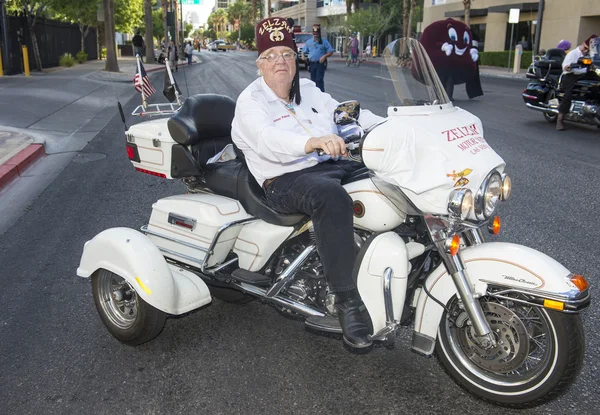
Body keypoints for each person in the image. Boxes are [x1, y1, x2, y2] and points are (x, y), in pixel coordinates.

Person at [231, 17, 385, 351]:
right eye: (271, 55)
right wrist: (311, 142)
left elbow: (345, 115)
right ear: (259, 64)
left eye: (286, 53)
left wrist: (390, 125)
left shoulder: (309, 90)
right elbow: (265, 138)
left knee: (383, 182)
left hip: (329, 164)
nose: (280, 62)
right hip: (283, 178)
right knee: (331, 198)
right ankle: (347, 301)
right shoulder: (251, 102)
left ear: (296, 57)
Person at [557, 34, 598, 131]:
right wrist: (570, 66)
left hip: (584, 75)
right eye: (586, 48)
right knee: (568, 95)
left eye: (589, 49)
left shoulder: (590, 55)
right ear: (583, 44)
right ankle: (560, 119)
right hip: (571, 75)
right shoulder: (573, 54)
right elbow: (565, 66)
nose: (587, 51)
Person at [301, 24, 334, 92]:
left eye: (317, 34)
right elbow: (303, 51)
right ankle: (314, 94)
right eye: (314, 34)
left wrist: (324, 56)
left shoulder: (324, 41)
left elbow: (330, 51)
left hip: (320, 64)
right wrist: (303, 56)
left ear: (319, 33)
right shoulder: (309, 42)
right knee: (313, 81)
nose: (316, 35)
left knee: (319, 80)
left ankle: (322, 94)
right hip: (312, 64)